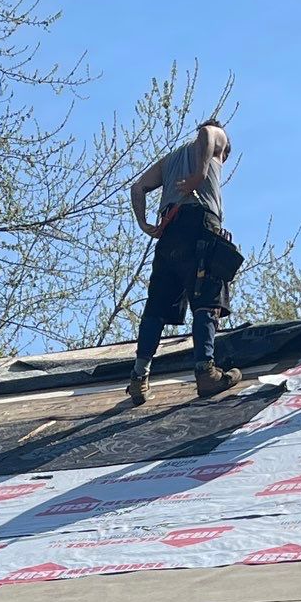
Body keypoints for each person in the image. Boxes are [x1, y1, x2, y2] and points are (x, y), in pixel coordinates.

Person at [127, 120, 245, 406]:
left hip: (169, 234)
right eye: (223, 155)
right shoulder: (214, 139)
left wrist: (144, 223)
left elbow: (138, 187)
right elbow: (207, 132)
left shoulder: (169, 161)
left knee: (157, 306)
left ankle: (138, 376)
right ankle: (206, 372)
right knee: (207, 296)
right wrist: (199, 174)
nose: (222, 159)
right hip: (198, 225)